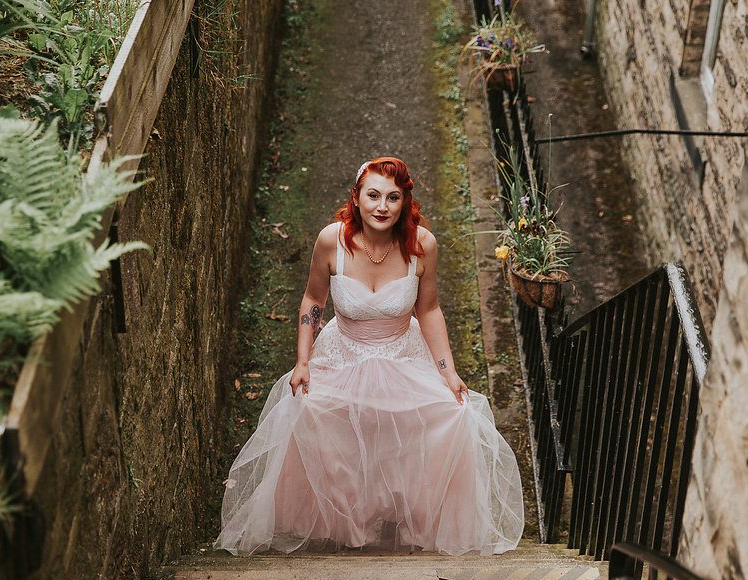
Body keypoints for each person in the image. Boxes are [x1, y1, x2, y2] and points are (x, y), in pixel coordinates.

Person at [214, 157, 524, 556]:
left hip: (401, 354)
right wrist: (303, 362)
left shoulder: (422, 246)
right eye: (373, 195)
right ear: (357, 198)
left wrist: (448, 373)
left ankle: (404, 514)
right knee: (319, 418)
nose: (382, 206)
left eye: (393, 198)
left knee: (444, 416)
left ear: (404, 202)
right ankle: (348, 521)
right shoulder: (332, 241)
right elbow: (313, 300)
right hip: (343, 354)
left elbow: (428, 311)